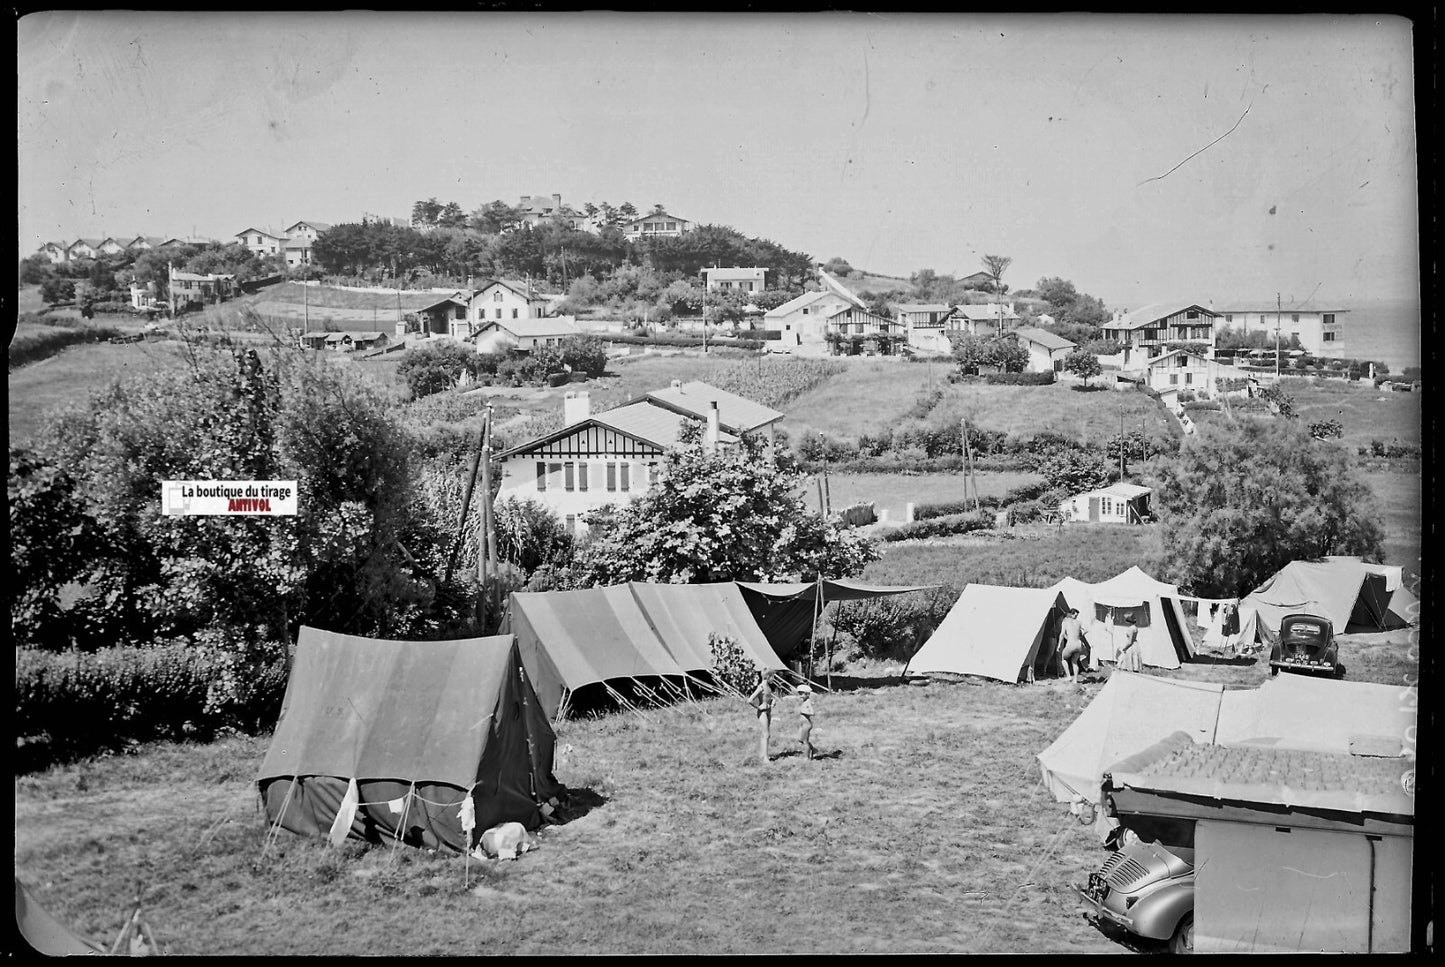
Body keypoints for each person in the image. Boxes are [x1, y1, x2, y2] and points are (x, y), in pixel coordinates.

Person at [746, 671, 777, 764]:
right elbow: (750, 700)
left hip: (768, 711)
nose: (774, 679)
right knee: (766, 734)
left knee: (766, 734)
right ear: (768, 677)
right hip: (763, 712)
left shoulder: (768, 687)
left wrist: (773, 700)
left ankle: (763, 754)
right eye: (773, 677)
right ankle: (765, 758)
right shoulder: (761, 687)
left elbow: (768, 697)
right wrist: (758, 707)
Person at [1058, 608, 1087, 682]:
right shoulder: (1079, 622)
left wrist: (1059, 645)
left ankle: (1068, 676)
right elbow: (1086, 630)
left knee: (1063, 658)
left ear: (1070, 614)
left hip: (1070, 644)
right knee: (1074, 661)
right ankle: (1075, 680)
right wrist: (1080, 636)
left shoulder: (1065, 622)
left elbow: (1062, 634)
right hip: (1078, 644)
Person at [795, 683, 817, 760]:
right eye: (799, 693)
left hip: (806, 724)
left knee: (805, 741)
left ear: (807, 694)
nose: (800, 695)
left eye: (802, 693)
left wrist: (804, 711)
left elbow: (812, 712)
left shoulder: (808, 702)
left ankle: (806, 757)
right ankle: (813, 749)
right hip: (802, 724)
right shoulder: (804, 702)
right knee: (800, 739)